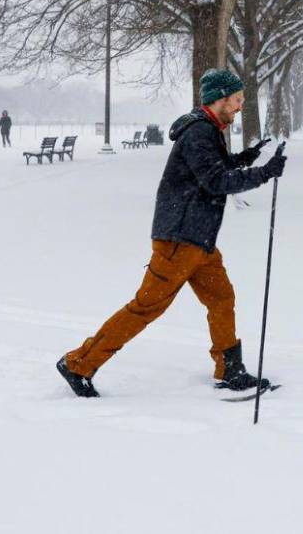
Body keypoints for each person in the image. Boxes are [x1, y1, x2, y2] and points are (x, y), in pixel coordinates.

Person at [57, 69, 287, 398]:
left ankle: (230, 369)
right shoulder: (198, 134)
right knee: (145, 308)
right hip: (179, 241)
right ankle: (78, 363)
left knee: (222, 298)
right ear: (220, 99)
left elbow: (213, 170)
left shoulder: (210, 130)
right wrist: (262, 173)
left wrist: (244, 159)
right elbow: (214, 181)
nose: (239, 107)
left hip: (200, 241)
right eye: (236, 100)